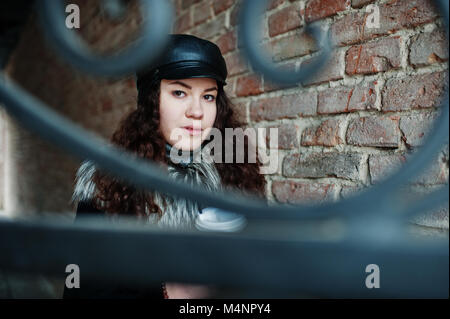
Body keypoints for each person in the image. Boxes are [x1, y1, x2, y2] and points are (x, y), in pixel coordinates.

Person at [63, 34, 267, 299]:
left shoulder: (237, 173)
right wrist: (170, 290)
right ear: (151, 100)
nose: (197, 111)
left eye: (208, 96)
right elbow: (83, 291)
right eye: (179, 92)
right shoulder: (109, 181)